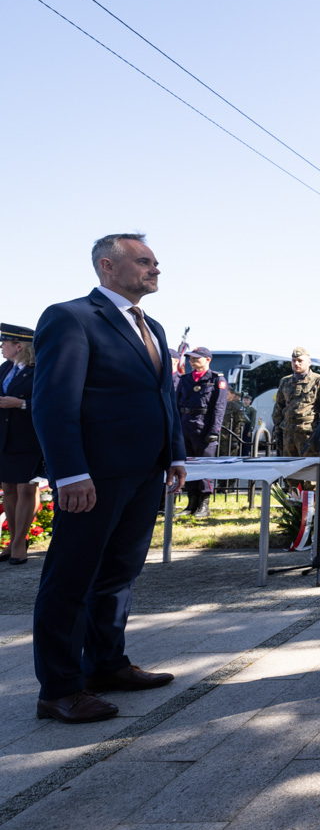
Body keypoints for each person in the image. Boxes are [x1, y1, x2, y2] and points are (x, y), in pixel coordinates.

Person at [31, 232, 186, 723]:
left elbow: (163, 397)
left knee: (119, 574)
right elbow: (54, 402)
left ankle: (105, 664)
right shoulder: (71, 317)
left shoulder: (152, 326)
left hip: (145, 472)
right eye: (144, 261)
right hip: (93, 476)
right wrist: (70, 473)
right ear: (107, 266)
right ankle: (59, 688)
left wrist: (175, 454)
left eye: (155, 262)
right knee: (71, 578)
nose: (155, 268)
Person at [0, 324, 42, 565]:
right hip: (6, 437)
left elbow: (50, 400)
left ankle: (18, 543)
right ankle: (13, 541)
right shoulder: (5, 368)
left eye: (5, 343)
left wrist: (21, 404)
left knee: (27, 488)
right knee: (8, 488)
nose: (1, 347)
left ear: (19, 346)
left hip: (29, 437)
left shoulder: (39, 370)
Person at [174, 346, 227, 518]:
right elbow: (177, 404)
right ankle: (192, 503)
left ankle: (204, 503)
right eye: (191, 358)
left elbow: (219, 407)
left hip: (204, 428)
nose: (192, 361)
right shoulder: (185, 379)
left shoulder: (216, 379)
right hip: (185, 426)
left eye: (196, 358)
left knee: (204, 467)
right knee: (188, 466)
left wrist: (214, 430)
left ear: (208, 360)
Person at [272, 347, 320, 457]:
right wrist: (277, 430)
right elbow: (279, 407)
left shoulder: (319, 381)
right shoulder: (285, 381)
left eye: (300, 360)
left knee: (310, 466)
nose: (296, 363)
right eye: (293, 360)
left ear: (309, 362)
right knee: (288, 466)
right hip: (288, 433)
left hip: (309, 434)